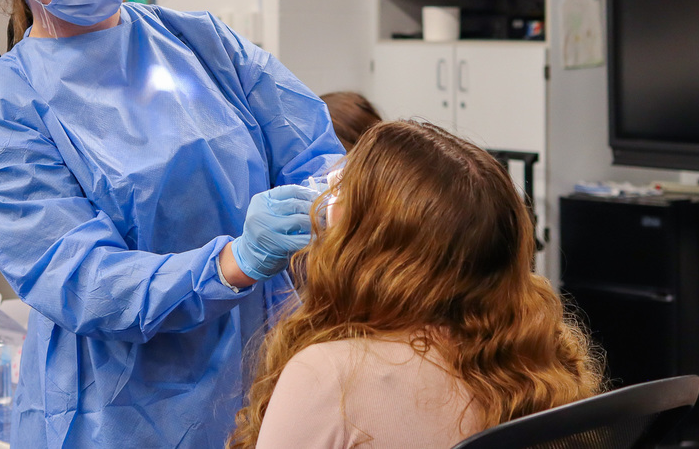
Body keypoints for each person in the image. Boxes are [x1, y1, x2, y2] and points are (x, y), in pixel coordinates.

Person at [0, 0, 345, 447]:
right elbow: (88, 282)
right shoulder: (9, 120)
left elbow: (316, 153)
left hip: (266, 378)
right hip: (121, 413)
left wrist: (324, 202)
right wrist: (235, 262)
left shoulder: (202, 45)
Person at [229, 120, 605, 449]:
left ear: (370, 244)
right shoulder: (532, 353)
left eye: (342, 190)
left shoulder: (329, 375)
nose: (325, 193)